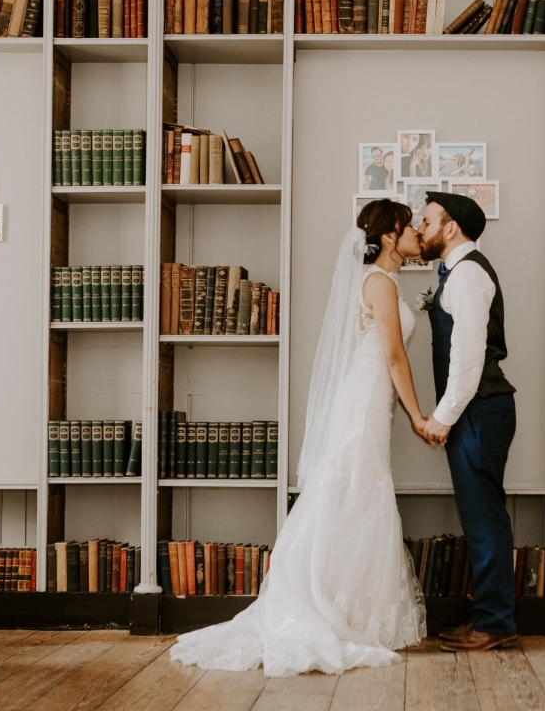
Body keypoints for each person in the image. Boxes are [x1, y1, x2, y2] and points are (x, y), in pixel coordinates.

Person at [170, 199, 429, 676]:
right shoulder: (380, 282)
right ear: (390, 237)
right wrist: (418, 416)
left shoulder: (380, 282)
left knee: (353, 495)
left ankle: (344, 605)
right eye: (410, 227)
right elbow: (394, 358)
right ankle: (334, 609)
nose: (417, 234)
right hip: (368, 401)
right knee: (357, 494)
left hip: (368, 399)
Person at [416, 192, 519, 652]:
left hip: (479, 410)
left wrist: (442, 418)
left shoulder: (469, 273)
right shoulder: (458, 273)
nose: (420, 229)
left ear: (450, 227)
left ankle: (495, 623)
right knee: (482, 517)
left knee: (484, 520)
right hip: (479, 411)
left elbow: (469, 357)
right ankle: (491, 617)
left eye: (427, 221)